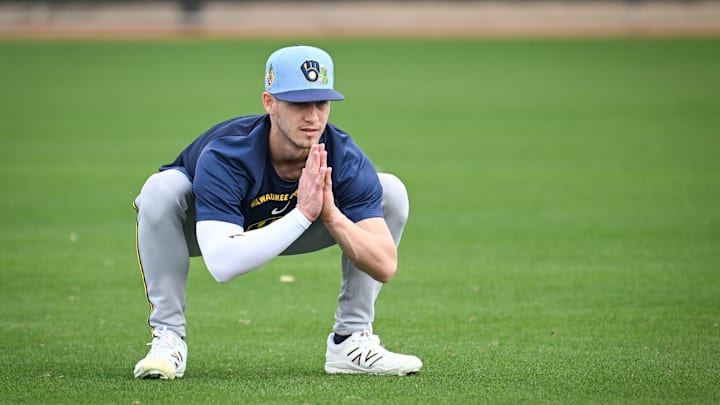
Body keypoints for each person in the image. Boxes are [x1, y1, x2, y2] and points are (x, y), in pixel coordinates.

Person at [132, 45, 422, 379]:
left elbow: (384, 265)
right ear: (270, 103)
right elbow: (222, 264)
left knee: (391, 191)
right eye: (299, 103)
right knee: (161, 189)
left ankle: (351, 341)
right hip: (201, 233)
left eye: (321, 103)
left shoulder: (343, 155)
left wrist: (329, 214)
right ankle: (169, 338)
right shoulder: (228, 154)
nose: (313, 116)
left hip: (293, 224)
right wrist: (302, 213)